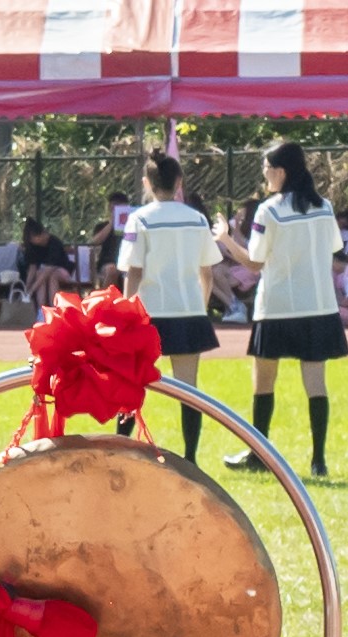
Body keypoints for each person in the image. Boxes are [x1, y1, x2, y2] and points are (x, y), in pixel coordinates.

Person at [223, 142, 348, 478]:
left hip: (277, 306)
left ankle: (259, 453)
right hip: (318, 306)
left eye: (267, 167)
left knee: (264, 383)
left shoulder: (269, 210)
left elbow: (253, 262)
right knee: (316, 384)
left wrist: (224, 238)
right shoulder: (323, 207)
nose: (264, 173)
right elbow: (334, 249)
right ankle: (318, 460)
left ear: (280, 171)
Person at [116, 152, 236, 459]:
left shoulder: (139, 219)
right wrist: (201, 305)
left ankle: (121, 449)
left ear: (147, 183)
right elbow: (207, 272)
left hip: (149, 315)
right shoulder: (196, 219)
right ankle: (191, 458)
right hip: (188, 313)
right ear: (179, 182)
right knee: (189, 391)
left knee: (132, 386)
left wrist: (128, 311)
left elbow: (135, 270)